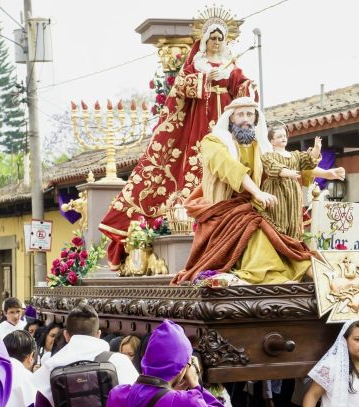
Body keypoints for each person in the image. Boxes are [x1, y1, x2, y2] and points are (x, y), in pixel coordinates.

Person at [99, 8, 258, 268]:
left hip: (227, 118)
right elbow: (180, 88)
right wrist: (204, 80)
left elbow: (242, 86)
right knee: (198, 163)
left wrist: (246, 85)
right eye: (213, 38)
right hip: (201, 121)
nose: (216, 42)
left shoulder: (231, 65)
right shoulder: (196, 64)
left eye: (220, 38)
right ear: (205, 40)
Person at [173, 97, 315, 285]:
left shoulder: (259, 146)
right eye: (240, 114)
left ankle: (311, 273)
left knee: (280, 235)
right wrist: (257, 192)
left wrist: (321, 172)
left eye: (250, 114)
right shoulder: (213, 142)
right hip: (222, 208)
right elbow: (229, 167)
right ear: (231, 118)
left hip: (252, 205)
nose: (246, 119)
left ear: (256, 118)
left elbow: (281, 167)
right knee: (254, 226)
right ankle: (268, 276)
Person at [263, 126, 345, 238]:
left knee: (294, 221)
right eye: (279, 136)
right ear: (272, 141)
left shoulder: (295, 155)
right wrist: (290, 173)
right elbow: (273, 167)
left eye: (284, 136)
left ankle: (293, 243)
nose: (283, 138)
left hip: (293, 191)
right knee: (279, 219)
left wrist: (317, 148)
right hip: (276, 190)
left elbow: (309, 161)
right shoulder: (267, 155)